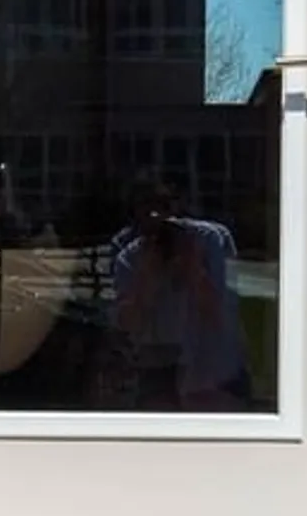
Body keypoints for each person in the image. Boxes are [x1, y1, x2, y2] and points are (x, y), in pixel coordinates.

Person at [103, 173, 251, 410]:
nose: (156, 216)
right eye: (146, 207)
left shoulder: (210, 240)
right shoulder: (130, 255)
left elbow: (220, 315)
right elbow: (128, 324)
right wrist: (147, 278)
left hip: (211, 362)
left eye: (163, 206)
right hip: (159, 362)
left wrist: (193, 267)